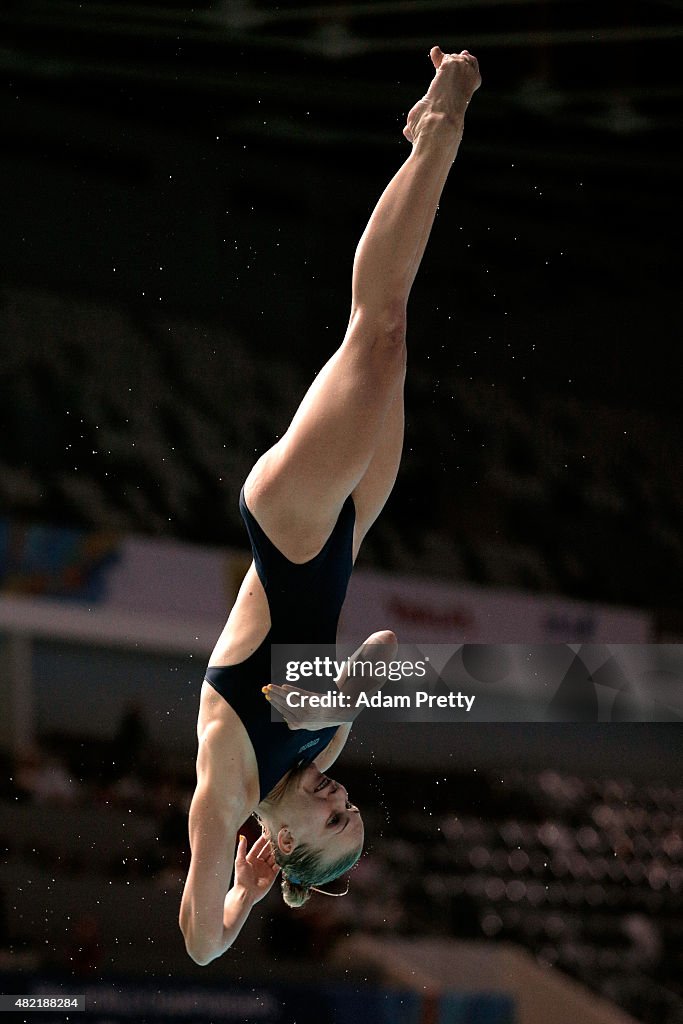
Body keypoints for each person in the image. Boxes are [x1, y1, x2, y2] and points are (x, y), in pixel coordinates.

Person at [179, 45, 481, 966]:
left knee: (377, 330)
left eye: (332, 817)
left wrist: (238, 893)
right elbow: (381, 653)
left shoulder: (226, 786)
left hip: (287, 526)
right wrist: (353, 692)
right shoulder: (325, 746)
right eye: (352, 808)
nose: (340, 797)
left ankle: (436, 129)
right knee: (398, 332)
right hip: (346, 532)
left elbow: (196, 945)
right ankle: (431, 141)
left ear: (282, 844)